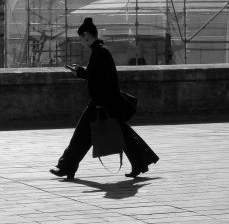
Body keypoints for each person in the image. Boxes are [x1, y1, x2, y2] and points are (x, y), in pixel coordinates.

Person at [50, 17, 159, 180]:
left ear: (86, 35)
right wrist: (80, 72)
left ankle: (67, 166)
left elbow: (101, 81)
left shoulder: (99, 53)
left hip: (102, 104)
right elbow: (97, 77)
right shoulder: (101, 51)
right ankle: (139, 162)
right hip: (106, 103)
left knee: (82, 135)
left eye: (81, 38)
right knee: (120, 135)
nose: (81, 42)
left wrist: (100, 101)